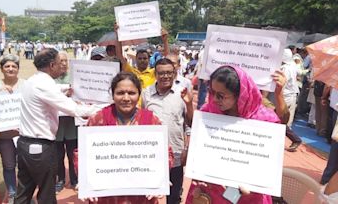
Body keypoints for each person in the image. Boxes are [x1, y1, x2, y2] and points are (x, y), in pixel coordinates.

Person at [15, 48, 100, 203]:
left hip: (25, 144)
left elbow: (54, 90)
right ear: (52, 65)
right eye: (59, 62)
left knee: (24, 190)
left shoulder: (33, 81)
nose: (62, 66)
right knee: (46, 192)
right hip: (40, 147)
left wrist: (67, 88)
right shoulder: (44, 84)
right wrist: (101, 109)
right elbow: (73, 108)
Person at [186, 65, 280, 204]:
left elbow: (267, 165)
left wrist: (254, 184)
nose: (215, 99)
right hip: (210, 194)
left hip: (249, 197)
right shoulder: (208, 113)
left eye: (221, 96)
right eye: (212, 92)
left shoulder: (265, 121)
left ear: (240, 94)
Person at [78, 71, 173, 204]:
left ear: (139, 95)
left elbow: (165, 153)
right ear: (112, 94)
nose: (126, 98)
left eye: (132, 93)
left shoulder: (151, 120)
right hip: (107, 196)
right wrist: (84, 180)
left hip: (142, 195)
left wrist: (160, 177)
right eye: (120, 93)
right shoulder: (98, 119)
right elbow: (83, 153)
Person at [142, 58, 193, 204]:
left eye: (169, 73)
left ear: (175, 73)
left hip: (176, 152)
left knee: (174, 196)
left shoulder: (182, 94)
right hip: (152, 154)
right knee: (150, 195)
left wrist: (189, 105)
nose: (166, 76)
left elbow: (190, 123)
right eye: (161, 73)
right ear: (155, 74)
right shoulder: (146, 94)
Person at [0, 54, 25, 204]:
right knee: (9, 165)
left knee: (25, 166)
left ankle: (25, 194)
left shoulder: (26, 84)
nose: (11, 69)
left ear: (18, 69)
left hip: (23, 134)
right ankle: (11, 193)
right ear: (2, 69)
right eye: (7, 66)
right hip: (4, 136)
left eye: (14, 66)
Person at [54, 51, 78, 194]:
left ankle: (75, 179)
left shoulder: (75, 78)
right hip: (56, 125)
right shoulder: (50, 80)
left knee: (73, 153)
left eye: (65, 61)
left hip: (71, 124)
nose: (63, 63)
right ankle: (61, 179)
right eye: (60, 61)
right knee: (58, 155)